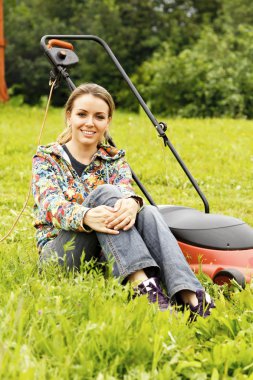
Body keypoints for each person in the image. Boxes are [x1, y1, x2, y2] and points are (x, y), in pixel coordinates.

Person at [32, 83, 214, 317]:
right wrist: (86, 216)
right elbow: (50, 205)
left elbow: (124, 191)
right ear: (69, 117)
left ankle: (191, 295)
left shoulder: (114, 159)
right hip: (60, 255)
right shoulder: (47, 158)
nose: (90, 123)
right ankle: (143, 287)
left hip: (104, 257)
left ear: (107, 122)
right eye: (82, 114)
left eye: (99, 116)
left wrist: (131, 203)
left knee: (147, 212)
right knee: (104, 194)